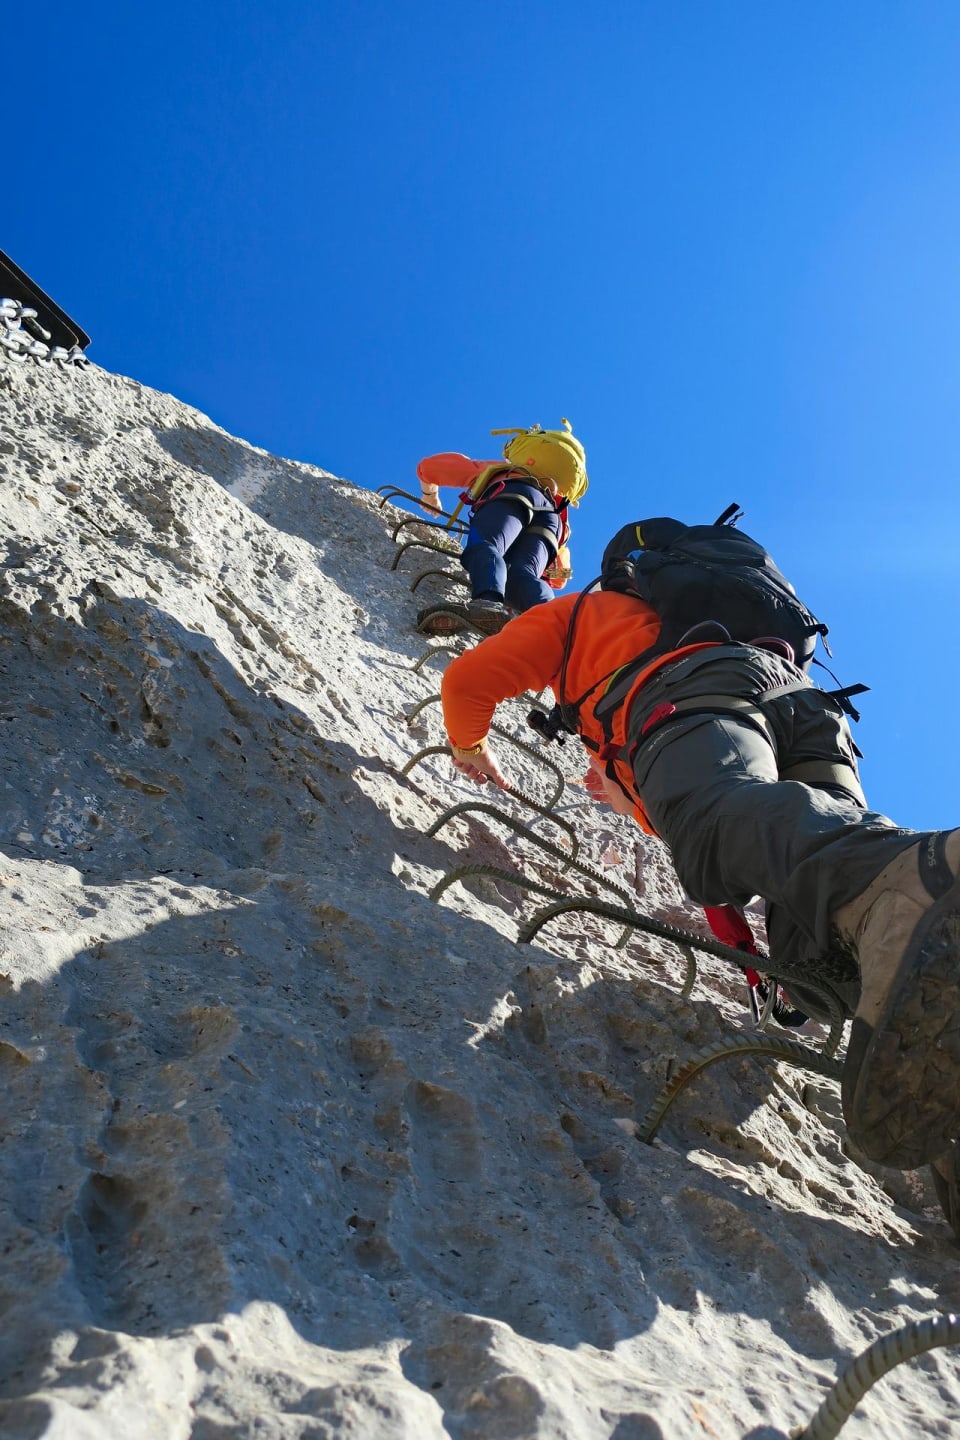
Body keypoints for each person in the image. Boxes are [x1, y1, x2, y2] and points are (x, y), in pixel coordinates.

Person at [438, 573, 960, 1225]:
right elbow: (730, 870)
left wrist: (468, 747)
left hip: (696, 690)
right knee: (823, 955)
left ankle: (918, 877)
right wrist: (763, 981)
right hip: (811, 713)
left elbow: (466, 683)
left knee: (738, 828)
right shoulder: (675, 676)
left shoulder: (584, 615)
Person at [416, 420, 585, 635]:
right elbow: (561, 578)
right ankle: (554, 632)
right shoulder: (560, 510)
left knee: (487, 545)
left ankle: (487, 604)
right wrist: (542, 571)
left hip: (512, 493)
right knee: (522, 575)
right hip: (550, 526)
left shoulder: (504, 470)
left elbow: (429, 467)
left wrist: (429, 495)